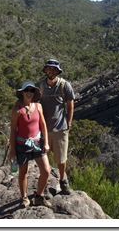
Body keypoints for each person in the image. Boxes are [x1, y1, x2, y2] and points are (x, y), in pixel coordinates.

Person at [9, 81, 52, 208]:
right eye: (26, 90)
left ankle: (39, 196)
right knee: (23, 172)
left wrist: (47, 143)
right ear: (22, 93)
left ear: (35, 93)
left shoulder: (38, 106)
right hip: (22, 145)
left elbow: (43, 126)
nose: (29, 93)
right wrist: (12, 151)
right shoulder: (16, 110)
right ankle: (24, 198)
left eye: (32, 90)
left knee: (46, 170)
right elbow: (13, 131)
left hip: (37, 143)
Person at [36, 59, 75, 195]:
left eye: (54, 69)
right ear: (45, 70)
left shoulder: (65, 85)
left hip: (60, 129)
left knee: (61, 158)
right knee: (43, 160)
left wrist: (68, 124)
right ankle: (44, 184)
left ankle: (63, 181)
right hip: (43, 131)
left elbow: (70, 105)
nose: (51, 71)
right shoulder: (39, 86)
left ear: (58, 71)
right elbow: (33, 105)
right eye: (49, 69)